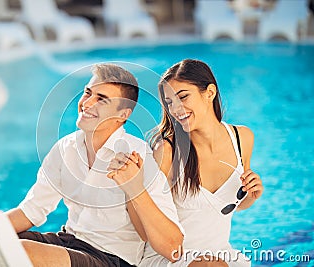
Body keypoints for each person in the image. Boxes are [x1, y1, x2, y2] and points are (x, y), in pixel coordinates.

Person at [5, 63, 184, 267]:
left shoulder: (138, 156)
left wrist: (134, 187)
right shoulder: (65, 148)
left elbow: (173, 247)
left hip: (110, 258)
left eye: (101, 99)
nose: (87, 103)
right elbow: (31, 210)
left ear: (122, 115)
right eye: (88, 93)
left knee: (23, 252)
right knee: (0, 243)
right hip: (69, 242)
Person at [112, 59, 263, 267]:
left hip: (221, 255)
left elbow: (226, 207)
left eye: (183, 97)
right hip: (171, 258)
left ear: (209, 93)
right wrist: (133, 189)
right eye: (170, 102)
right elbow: (143, 231)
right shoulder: (168, 151)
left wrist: (252, 196)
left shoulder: (242, 138)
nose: (176, 109)